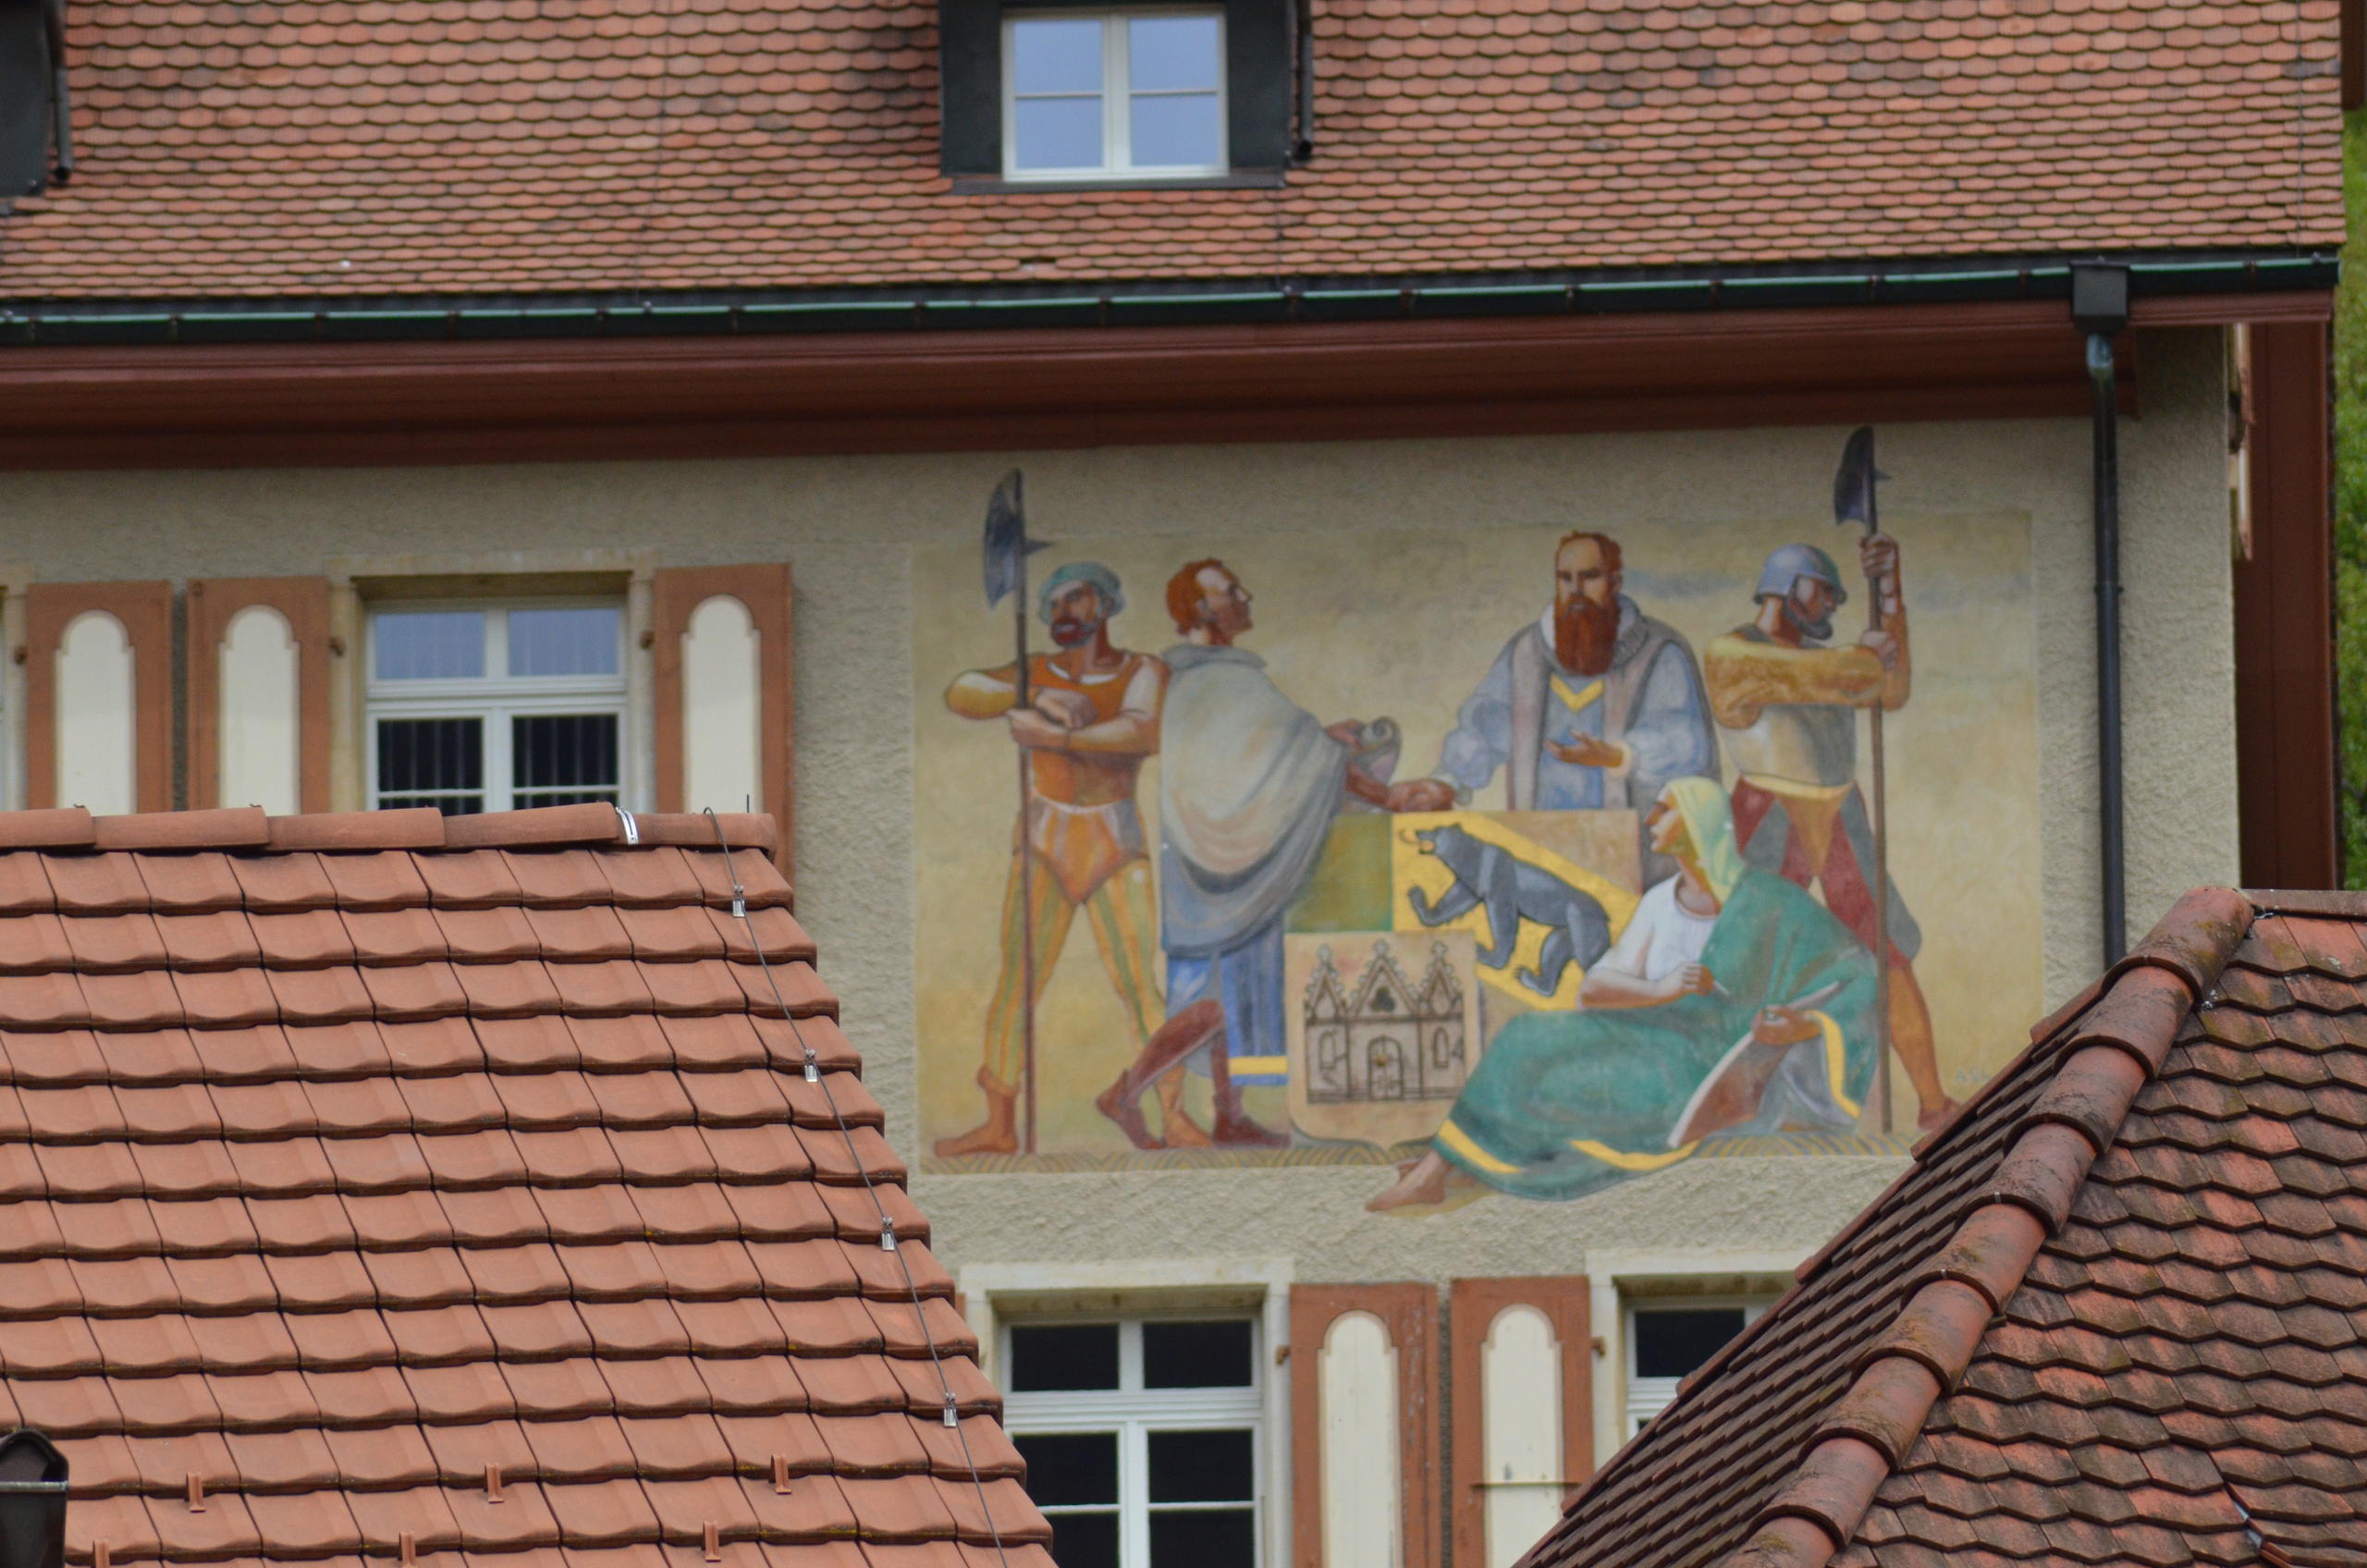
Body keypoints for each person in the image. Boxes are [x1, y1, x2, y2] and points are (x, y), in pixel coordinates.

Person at [1367, 778, 1881, 1209]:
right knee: (1526, 1033)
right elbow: (1594, 989)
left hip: (1704, 1072)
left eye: (1664, 810)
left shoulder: (1770, 903)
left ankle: (1450, 1165)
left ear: (1697, 823)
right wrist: (1658, 989)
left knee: (1566, 1079)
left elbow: (1856, 973)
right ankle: (1455, 1159)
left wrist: (1805, 1024)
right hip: (1643, 1039)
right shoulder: (1661, 902)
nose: (1650, 818)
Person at [1095, 557, 1398, 1148]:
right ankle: (1123, 1093)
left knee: (1230, 998)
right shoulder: (1215, 680)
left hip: (1227, 855)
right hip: (1216, 861)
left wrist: (1314, 739)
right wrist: (1372, 783)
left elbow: (1274, 742)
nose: (1246, 595)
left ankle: (1229, 1114)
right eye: (1233, 591)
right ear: (1205, 610)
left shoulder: (1211, 676)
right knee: (1208, 1005)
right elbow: (1286, 747)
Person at [1701, 537, 1959, 1133]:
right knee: (1747, 961)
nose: (1831, 607)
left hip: (1840, 811)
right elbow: (1847, 672)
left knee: (1887, 952)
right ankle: (1725, 1100)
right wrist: (1866, 657)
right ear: (1784, 586)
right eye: (1823, 592)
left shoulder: (1833, 660)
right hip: (1768, 809)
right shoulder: (1731, 655)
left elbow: (1889, 689)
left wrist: (1890, 592)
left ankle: (1932, 1102)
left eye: (1841, 596)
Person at [937, 561, 1173, 1157]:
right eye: (1054, 604)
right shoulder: (1037, 671)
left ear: (1106, 604)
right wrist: (1037, 693)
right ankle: (999, 1123)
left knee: (1141, 985)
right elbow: (963, 690)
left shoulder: (1142, 670)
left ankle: (1175, 1114)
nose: (1063, 613)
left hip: (1113, 836)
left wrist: (1060, 739)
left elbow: (1142, 731)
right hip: (1045, 836)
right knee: (1017, 983)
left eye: (1076, 599)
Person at [1391, 532, 1718, 881]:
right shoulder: (1526, 654)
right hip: (1540, 852)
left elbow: (1686, 740)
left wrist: (1619, 755)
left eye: (1589, 577)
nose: (1575, 590)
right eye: (1565, 578)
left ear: (1614, 582)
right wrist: (1448, 780)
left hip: (1636, 859)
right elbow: (1485, 728)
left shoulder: (1657, 651)